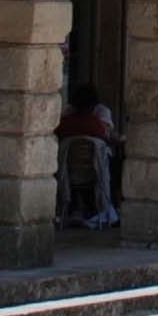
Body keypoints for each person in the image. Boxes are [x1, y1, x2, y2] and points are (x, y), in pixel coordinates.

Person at [57, 87, 122, 227]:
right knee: (116, 166)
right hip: (95, 171)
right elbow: (106, 139)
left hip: (68, 171)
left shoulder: (65, 122)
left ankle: (74, 208)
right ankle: (110, 207)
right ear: (93, 105)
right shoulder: (95, 123)